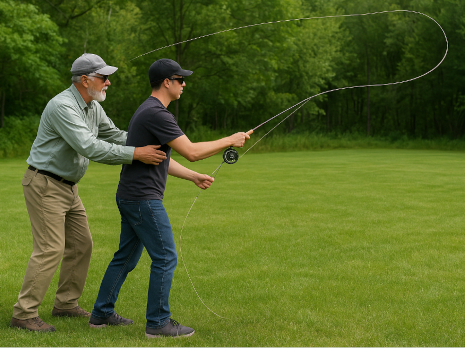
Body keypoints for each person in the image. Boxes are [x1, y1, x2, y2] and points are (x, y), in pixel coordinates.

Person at [88, 58, 251, 338]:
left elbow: (161, 159)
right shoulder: (157, 114)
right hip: (142, 199)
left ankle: (101, 314)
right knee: (165, 257)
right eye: (180, 79)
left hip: (130, 196)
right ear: (167, 82)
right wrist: (229, 139)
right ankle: (158, 323)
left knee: (125, 258)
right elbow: (192, 150)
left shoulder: (149, 111)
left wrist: (193, 176)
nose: (184, 84)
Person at [10, 53, 167, 333]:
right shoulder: (62, 106)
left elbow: (116, 134)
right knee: (50, 249)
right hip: (45, 184)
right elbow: (90, 147)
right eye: (104, 78)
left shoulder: (92, 106)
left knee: (83, 245)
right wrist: (136, 154)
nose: (108, 83)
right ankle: (24, 314)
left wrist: (154, 141)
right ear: (85, 80)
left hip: (68, 187)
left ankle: (66, 304)